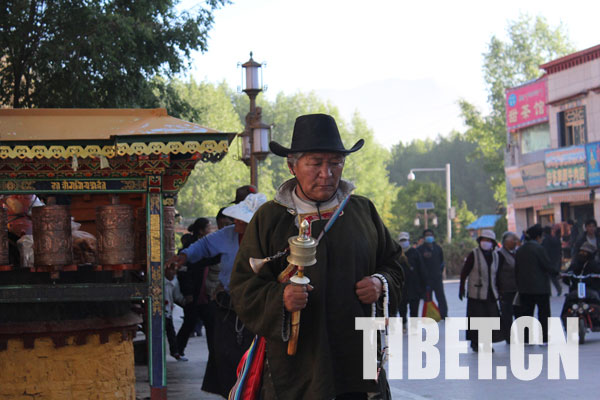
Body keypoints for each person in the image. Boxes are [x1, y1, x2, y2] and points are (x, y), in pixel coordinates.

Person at [229, 113, 404, 399]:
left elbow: (395, 265)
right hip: (296, 368)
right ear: (292, 165)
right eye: (316, 163)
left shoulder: (362, 211)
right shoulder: (270, 219)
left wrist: (380, 284)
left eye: (336, 163)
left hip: (357, 361)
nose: (328, 173)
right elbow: (242, 286)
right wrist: (280, 298)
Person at [168, 192, 267, 398]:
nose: (237, 222)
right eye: (237, 218)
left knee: (259, 360)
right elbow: (203, 246)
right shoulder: (228, 234)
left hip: (261, 308)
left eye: (243, 220)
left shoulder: (271, 238)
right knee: (224, 357)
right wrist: (184, 257)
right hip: (228, 307)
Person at [459, 230, 503, 352]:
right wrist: (461, 288)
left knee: (490, 319)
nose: (486, 243)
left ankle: (488, 342)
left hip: (491, 293)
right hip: (476, 293)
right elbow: (464, 272)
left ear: (493, 243)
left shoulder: (496, 256)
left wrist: (500, 291)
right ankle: (475, 342)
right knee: (476, 318)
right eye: (484, 240)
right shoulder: (473, 254)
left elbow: (497, 275)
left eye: (489, 241)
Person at [515, 224, 558, 344]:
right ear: (538, 236)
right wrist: (556, 272)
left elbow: (516, 269)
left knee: (527, 313)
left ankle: (526, 338)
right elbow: (547, 265)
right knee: (543, 313)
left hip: (524, 288)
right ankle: (544, 337)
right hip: (540, 288)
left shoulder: (520, 250)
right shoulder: (539, 249)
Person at [561, 242, 600, 319]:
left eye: (585, 252)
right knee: (569, 304)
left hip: (591, 290)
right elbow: (567, 275)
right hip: (576, 291)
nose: (583, 254)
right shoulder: (575, 264)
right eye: (581, 252)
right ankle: (569, 325)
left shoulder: (594, 264)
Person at [417, 229, 448, 318]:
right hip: (426, 280)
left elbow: (442, 262)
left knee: (441, 298)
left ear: (433, 236)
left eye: (430, 235)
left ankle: (443, 315)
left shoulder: (438, 248)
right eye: (427, 235)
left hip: (437, 278)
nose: (429, 236)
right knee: (427, 299)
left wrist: (440, 272)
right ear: (424, 237)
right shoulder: (420, 250)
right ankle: (430, 316)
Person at [495, 231, 519, 344]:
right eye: (513, 240)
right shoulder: (500, 254)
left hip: (517, 289)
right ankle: (508, 336)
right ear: (506, 242)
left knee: (518, 312)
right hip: (506, 289)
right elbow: (496, 272)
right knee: (507, 314)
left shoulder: (515, 253)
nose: (515, 242)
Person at [397, 232, 425, 326]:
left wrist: (423, 285)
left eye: (405, 240)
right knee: (402, 308)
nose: (403, 242)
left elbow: (421, 269)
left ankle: (414, 326)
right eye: (401, 240)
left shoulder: (415, 252)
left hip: (414, 286)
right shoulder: (396, 254)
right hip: (401, 286)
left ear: (408, 240)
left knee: (414, 308)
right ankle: (403, 323)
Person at [164, 265, 185, 360]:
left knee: (171, 333)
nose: (172, 272)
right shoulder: (161, 282)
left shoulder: (175, 282)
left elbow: (177, 296)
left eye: (174, 270)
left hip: (168, 312)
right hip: (161, 312)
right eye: (170, 269)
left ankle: (175, 352)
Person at [542, 225, 563, 296]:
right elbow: (559, 249)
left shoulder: (545, 240)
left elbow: (545, 251)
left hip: (548, 260)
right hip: (555, 259)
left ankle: (549, 291)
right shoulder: (555, 239)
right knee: (552, 276)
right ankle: (558, 288)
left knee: (547, 276)